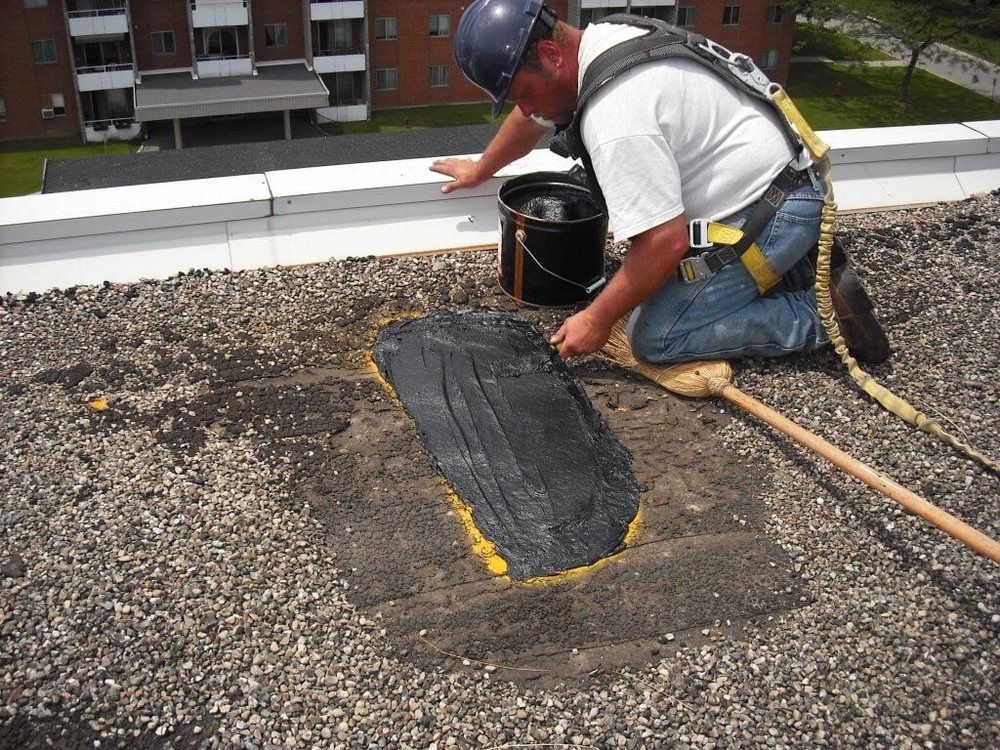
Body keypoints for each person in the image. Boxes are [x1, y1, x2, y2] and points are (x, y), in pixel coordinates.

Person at [430, 0, 888, 365]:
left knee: (657, 337)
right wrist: (482, 168)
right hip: (776, 181)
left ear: (551, 55)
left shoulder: (616, 117)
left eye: (525, 95)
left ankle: (820, 319)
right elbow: (532, 113)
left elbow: (663, 243)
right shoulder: (600, 42)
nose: (528, 110)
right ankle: (776, 275)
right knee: (640, 281)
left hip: (771, 213)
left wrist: (596, 319)